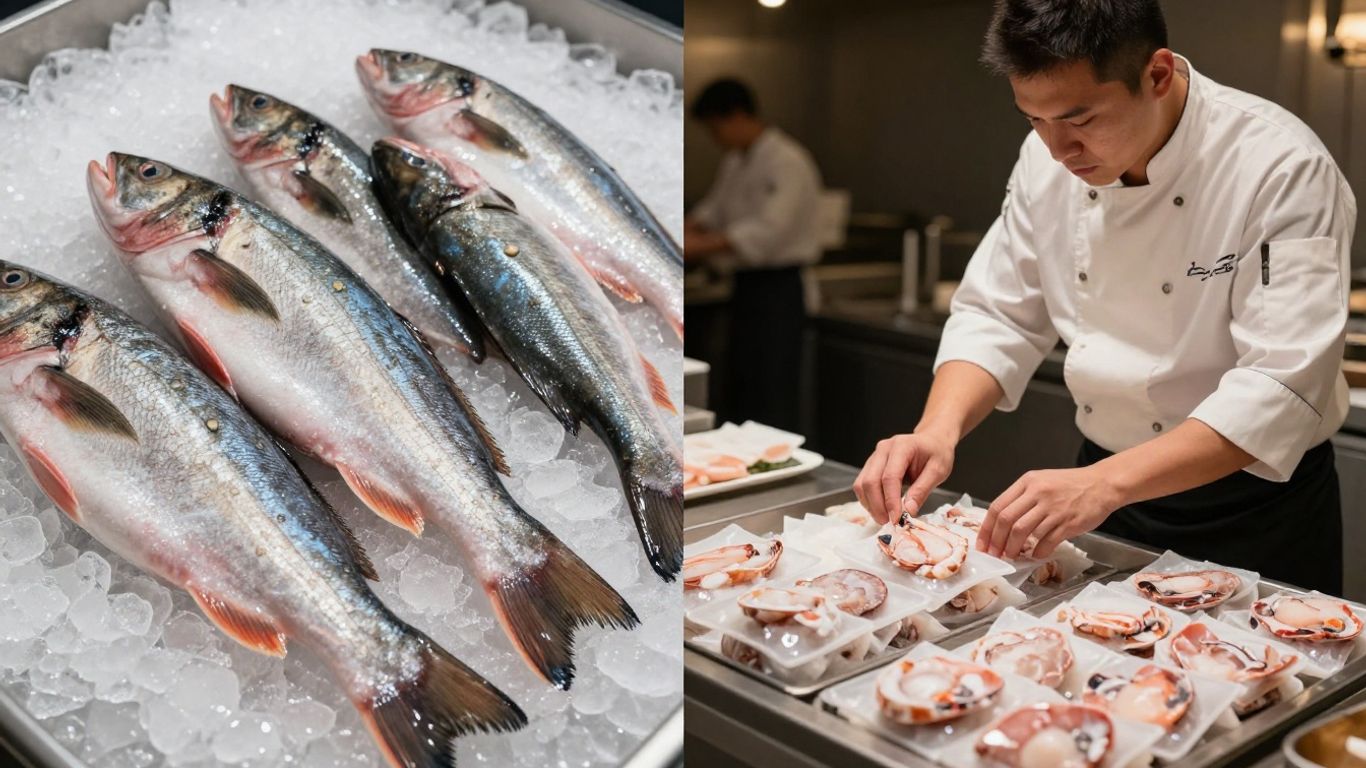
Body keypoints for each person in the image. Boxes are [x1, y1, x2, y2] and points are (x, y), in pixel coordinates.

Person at [854, 0, 1355, 594]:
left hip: (1253, 509)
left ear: (1157, 74)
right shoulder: (1049, 161)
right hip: (1101, 494)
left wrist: (1105, 484)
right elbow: (998, 313)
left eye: (1082, 120)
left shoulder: (1280, 165)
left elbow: (1281, 383)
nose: (1057, 150)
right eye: (1034, 121)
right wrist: (936, 431)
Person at [686, 78, 823, 432]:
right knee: (743, 383)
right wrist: (680, 231)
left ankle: (776, 455)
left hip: (780, 289)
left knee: (773, 388)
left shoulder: (788, 160)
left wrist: (699, 246)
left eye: (715, 128)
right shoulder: (735, 161)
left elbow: (769, 231)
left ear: (737, 116)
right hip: (745, 288)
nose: (715, 138)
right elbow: (712, 210)